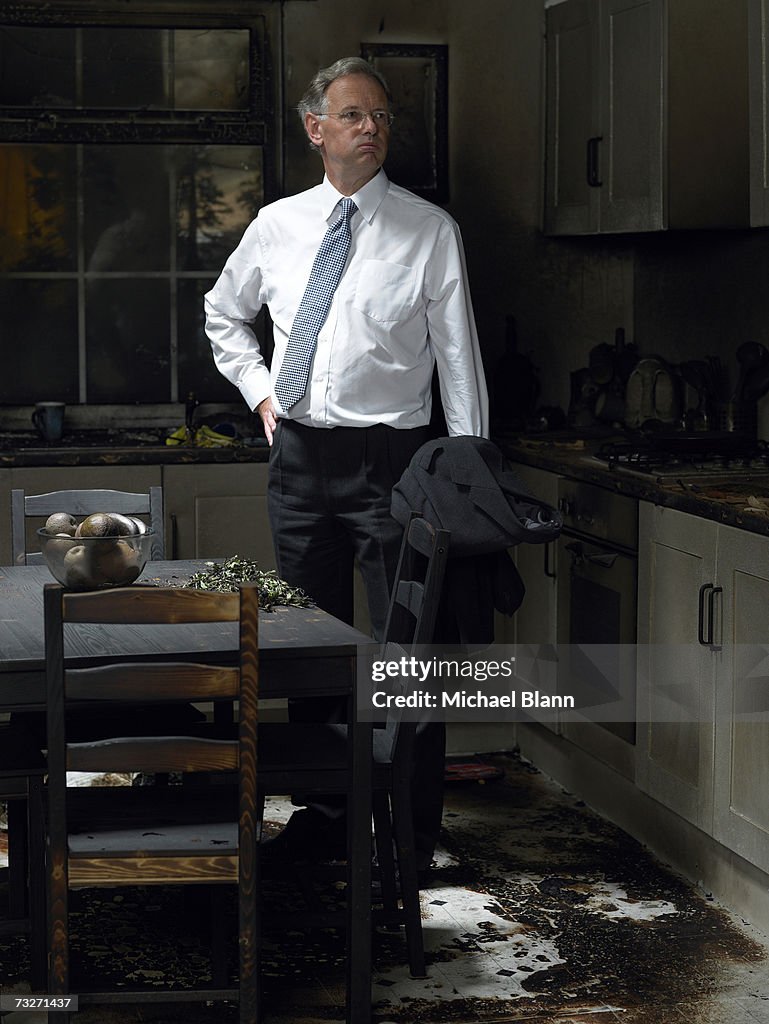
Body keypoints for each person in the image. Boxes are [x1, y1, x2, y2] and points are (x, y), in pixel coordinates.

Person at [204, 56, 488, 866]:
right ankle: (328, 820)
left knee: (409, 656)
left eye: (381, 117)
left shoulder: (428, 230)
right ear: (315, 129)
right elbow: (223, 314)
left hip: (394, 465)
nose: (372, 128)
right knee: (312, 648)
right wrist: (261, 393)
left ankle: (411, 834)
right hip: (296, 464)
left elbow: (458, 361)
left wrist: (461, 474)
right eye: (354, 115)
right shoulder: (278, 224)